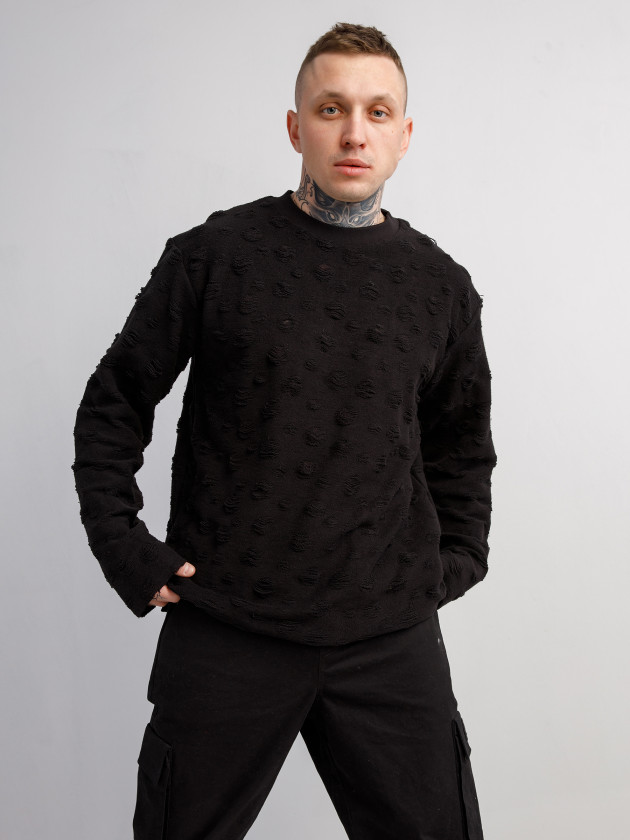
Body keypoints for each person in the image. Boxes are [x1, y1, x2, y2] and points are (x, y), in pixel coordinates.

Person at [73, 22, 496, 840]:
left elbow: (461, 448)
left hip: (387, 636)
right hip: (228, 626)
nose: (354, 132)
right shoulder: (214, 256)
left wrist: (454, 562)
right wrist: (125, 548)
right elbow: (114, 402)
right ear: (296, 127)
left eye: (377, 112)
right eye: (332, 109)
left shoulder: (441, 287)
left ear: (405, 135)